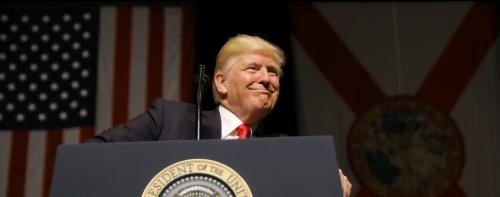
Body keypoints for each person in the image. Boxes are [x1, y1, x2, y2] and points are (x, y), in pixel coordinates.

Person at [86, 34, 352, 196]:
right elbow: (95, 154)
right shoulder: (171, 118)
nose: (266, 79)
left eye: (272, 72)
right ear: (221, 82)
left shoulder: (284, 150)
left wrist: (326, 184)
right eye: (253, 68)